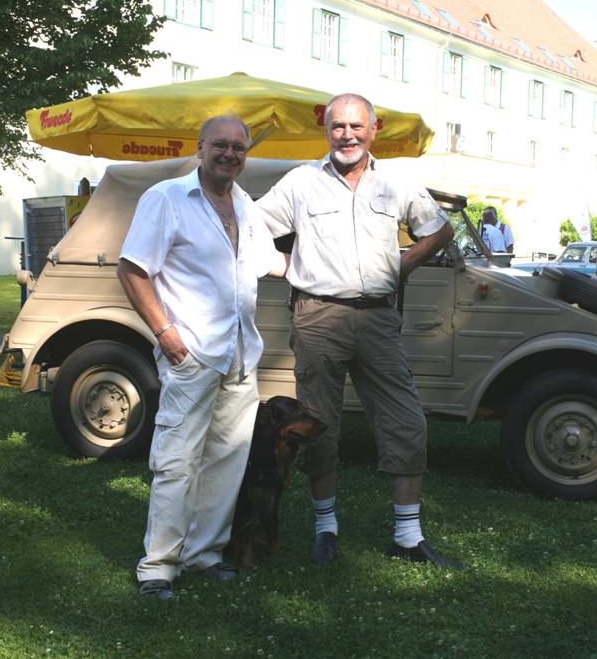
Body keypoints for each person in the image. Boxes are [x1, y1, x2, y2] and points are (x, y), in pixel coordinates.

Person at [255, 93, 461, 569]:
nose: (346, 135)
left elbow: (440, 229)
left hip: (378, 319)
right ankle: (325, 531)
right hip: (318, 319)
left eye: (356, 126)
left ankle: (408, 536)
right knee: (317, 427)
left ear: (375, 129)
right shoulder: (300, 183)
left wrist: (405, 264)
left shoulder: (395, 183)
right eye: (337, 127)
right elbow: (252, 227)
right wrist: (283, 265)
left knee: (406, 421)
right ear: (326, 130)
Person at [118, 115, 286, 600]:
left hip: (239, 354)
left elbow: (267, 263)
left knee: (227, 460)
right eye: (221, 145)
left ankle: (204, 553)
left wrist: (333, 269)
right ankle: (158, 567)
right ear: (200, 148)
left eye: (239, 147)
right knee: (176, 461)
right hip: (190, 352)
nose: (230, 154)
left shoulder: (244, 204)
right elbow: (132, 270)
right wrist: (166, 334)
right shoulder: (167, 199)